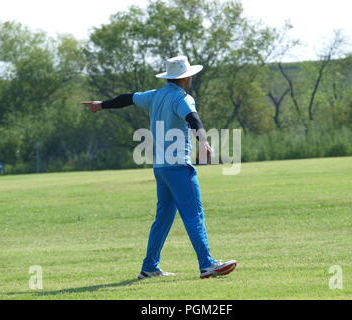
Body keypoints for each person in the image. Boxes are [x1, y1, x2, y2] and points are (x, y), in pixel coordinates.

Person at [80, 56, 237, 279]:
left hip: (161, 168)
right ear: (185, 77)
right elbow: (193, 119)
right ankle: (207, 264)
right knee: (194, 215)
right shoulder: (183, 98)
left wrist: (101, 105)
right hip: (179, 167)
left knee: (163, 219)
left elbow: (128, 98)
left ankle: (149, 267)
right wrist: (204, 141)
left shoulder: (154, 95)